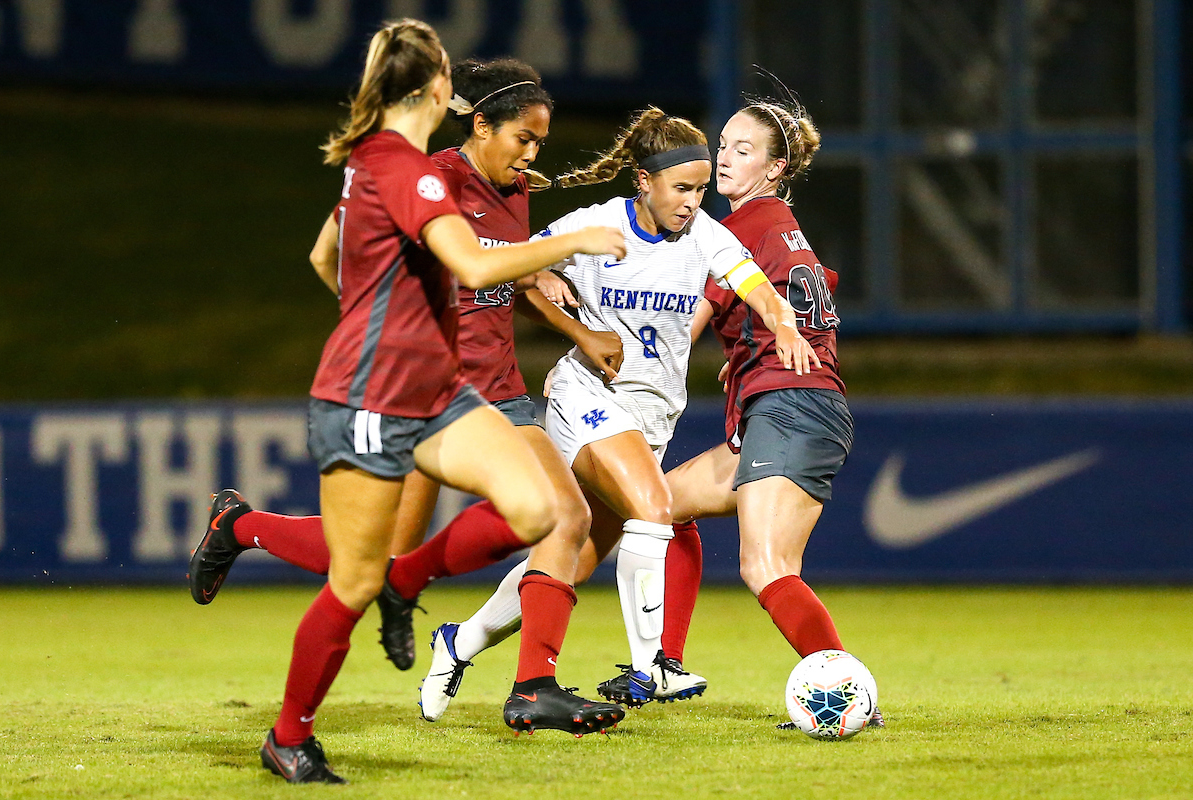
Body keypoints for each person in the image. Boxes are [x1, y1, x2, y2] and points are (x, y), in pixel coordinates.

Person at [215, 19, 627, 784]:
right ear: (442, 92)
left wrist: (388, 308)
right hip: (374, 396)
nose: (533, 153)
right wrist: (573, 244)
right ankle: (288, 733)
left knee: (543, 513)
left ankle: (433, 602)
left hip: (445, 391)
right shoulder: (415, 171)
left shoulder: (383, 163)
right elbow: (472, 267)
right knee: (356, 575)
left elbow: (327, 255)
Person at [423, 96, 883, 730]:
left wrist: (773, 326)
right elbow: (508, 269)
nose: (697, 195)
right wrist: (558, 304)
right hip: (589, 395)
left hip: (657, 413)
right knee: (661, 511)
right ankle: (656, 665)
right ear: (645, 182)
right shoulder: (598, 225)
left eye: (711, 176)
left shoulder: (713, 232)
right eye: (686, 182)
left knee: (579, 550)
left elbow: (759, 291)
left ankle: (464, 641)